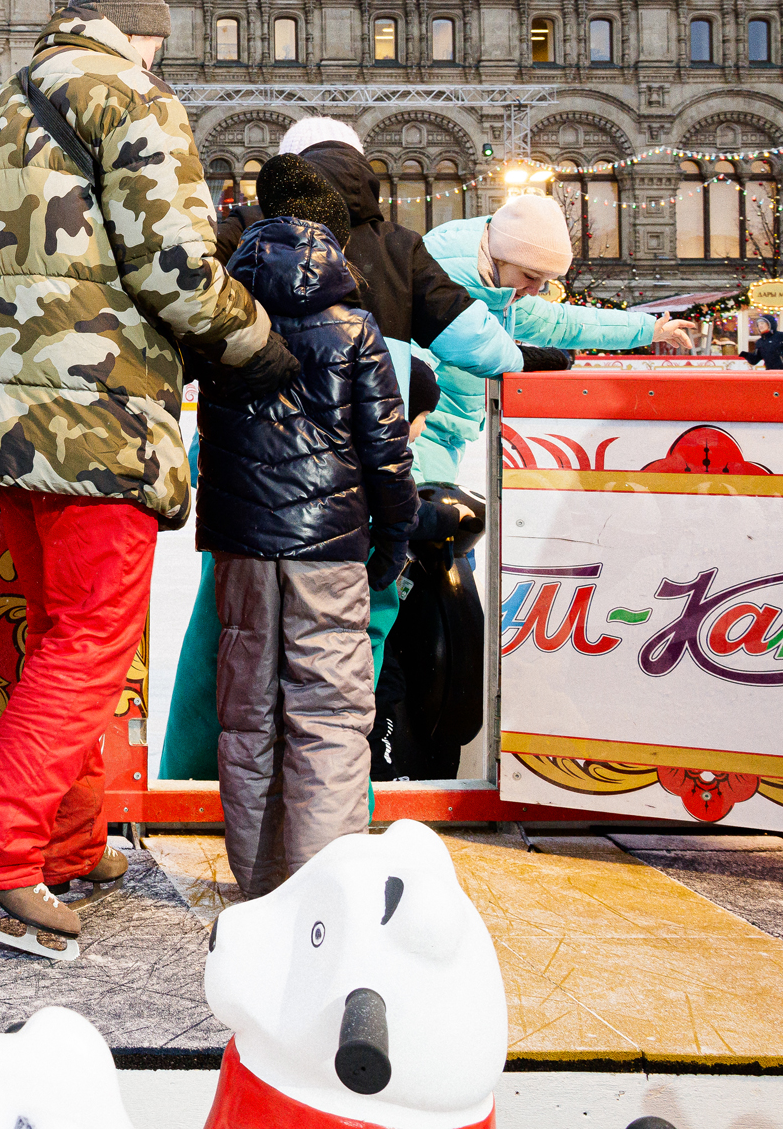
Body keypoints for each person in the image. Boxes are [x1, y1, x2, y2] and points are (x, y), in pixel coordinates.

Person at [0, 0, 290, 942]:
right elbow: (173, 269)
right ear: (140, 33)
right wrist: (258, 342)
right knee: (87, 642)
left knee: (59, 636)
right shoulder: (134, 100)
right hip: (95, 415)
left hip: (0, 421)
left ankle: (67, 839)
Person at [166, 117, 524, 782]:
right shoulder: (399, 246)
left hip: (245, 477)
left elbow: (183, 309)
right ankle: (334, 796)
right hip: (350, 487)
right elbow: (480, 342)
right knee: (352, 642)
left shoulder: (247, 234)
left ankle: (194, 780)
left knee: (228, 632)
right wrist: (531, 357)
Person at [197, 155, 415, 897]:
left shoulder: (226, 321)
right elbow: (387, 452)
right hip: (332, 544)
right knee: (329, 714)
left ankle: (259, 886)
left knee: (248, 716)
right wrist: (394, 540)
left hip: (241, 546)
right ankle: (324, 894)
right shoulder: (354, 328)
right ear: (336, 245)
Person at [415, 194, 698, 483]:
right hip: (417, 435)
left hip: (443, 433)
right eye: (530, 275)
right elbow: (404, 374)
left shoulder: (499, 291)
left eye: (544, 281)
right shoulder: (440, 282)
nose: (536, 290)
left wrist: (647, 329)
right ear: (500, 255)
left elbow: (561, 323)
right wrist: (405, 433)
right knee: (416, 519)